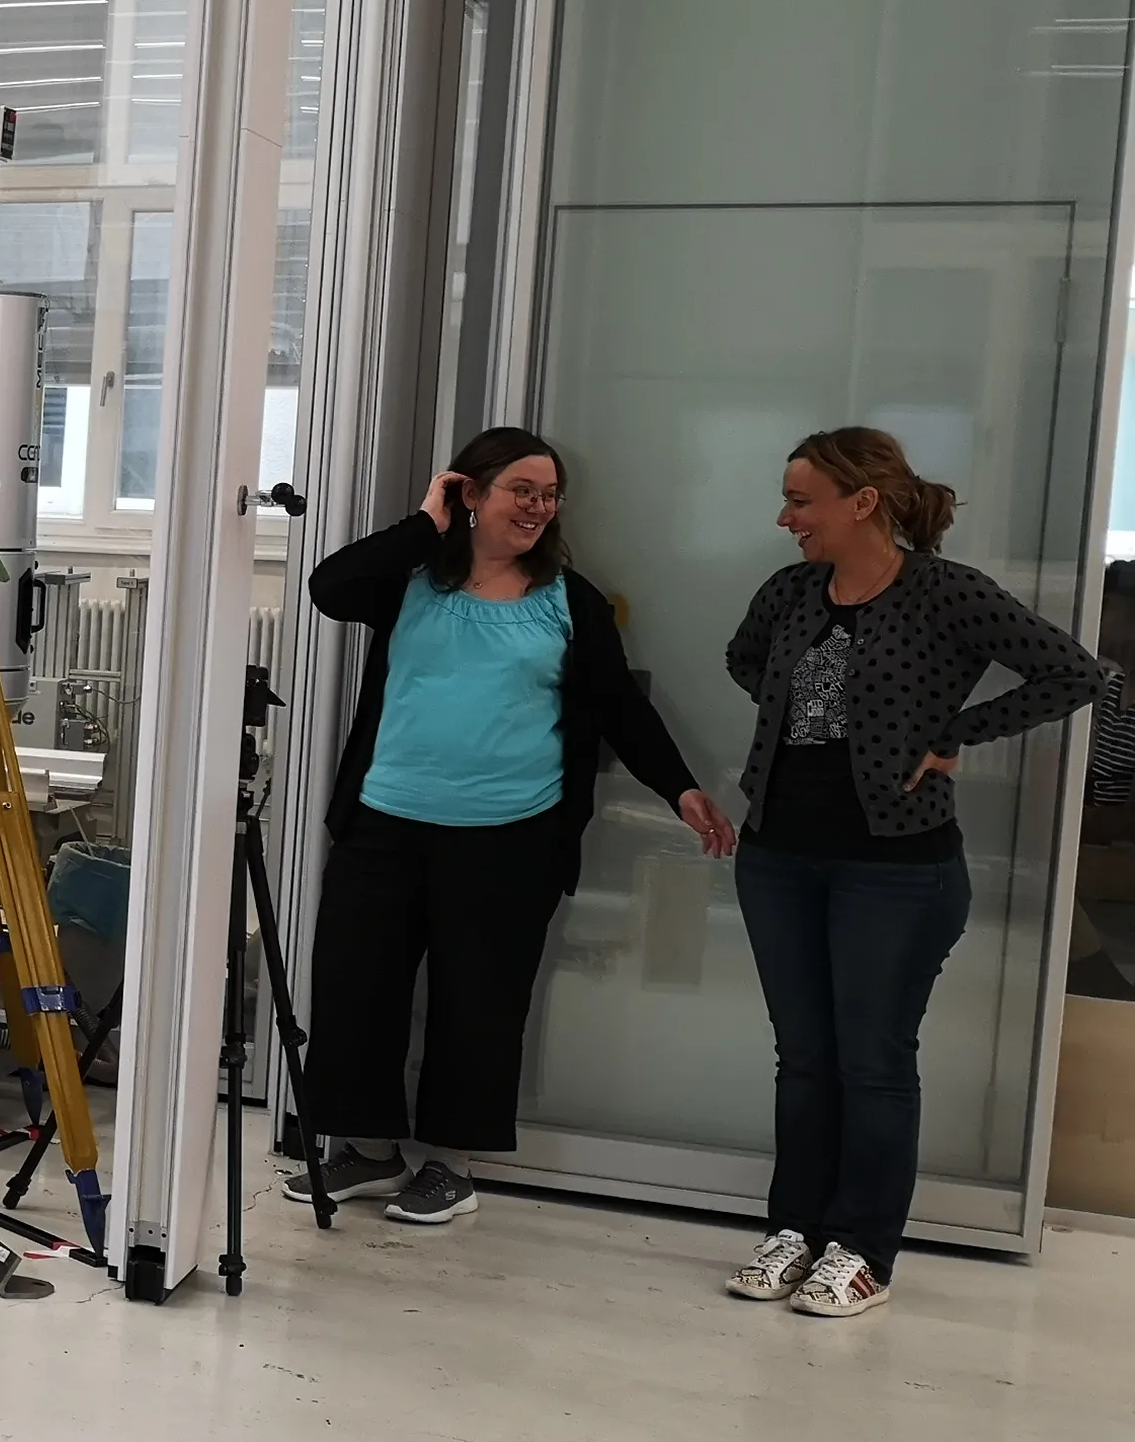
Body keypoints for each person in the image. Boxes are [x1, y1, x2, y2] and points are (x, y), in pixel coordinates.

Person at [297, 428, 736, 1229]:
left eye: (549, 495)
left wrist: (679, 788)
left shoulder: (571, 602)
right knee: (358, 992)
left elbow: (621, 710)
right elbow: (330, 587)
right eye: (521, 490)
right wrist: (424, 524)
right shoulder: (409, 580)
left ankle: (451, 1167)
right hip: (384, 825)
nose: (538, 507)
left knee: (478, 1006)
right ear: (471, 493)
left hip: (508, 837)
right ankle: (367, 1150)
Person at [722, 427, 1096, 1317]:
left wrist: (956, 732)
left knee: (873, 1061)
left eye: (800, 501)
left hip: (894, 870)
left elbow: (1072, 674)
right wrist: (806, 720)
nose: (785, 519)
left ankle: (862, 1251)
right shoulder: (790, 590)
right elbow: (745, 658)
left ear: (863, 503)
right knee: (804, 1059)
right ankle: (795, 1229)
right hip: (778, 856)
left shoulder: (945, 591)